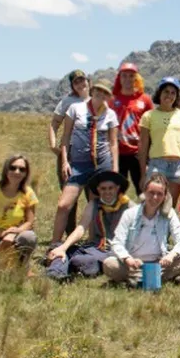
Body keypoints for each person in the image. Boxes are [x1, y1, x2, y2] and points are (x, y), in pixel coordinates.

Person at [52, 79, 119, 244]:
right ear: (93, 90)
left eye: (105, 93)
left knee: (95, 204)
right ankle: (55, 243)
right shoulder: (76, 109)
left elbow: (113, 143)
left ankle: (94, 241)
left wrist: (115, 169)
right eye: (98, 91)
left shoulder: (110, 114)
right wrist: (65, 161)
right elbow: (66, 136)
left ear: (108, 96)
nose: (100, 95)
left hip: (102, 164)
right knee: (64, 204)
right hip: (79, 164)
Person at [103, 173, 180, 286]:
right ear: (145, 192)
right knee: (109, 264)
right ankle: (158, 279)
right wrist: (128, 259)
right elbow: (117, 243)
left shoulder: (169, 214)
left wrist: (171, 256)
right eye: (151, 193)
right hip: (134, 263)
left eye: (159, 194)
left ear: (165, 196)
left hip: (160, 263)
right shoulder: (129, 214)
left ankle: (136, 281)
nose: (155, 198)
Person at [46, 171, 132, 280]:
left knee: (81, 260)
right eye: (103, 189)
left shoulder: (128, 206)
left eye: (111, 188)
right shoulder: (94, 204)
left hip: (112, 251)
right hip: (93, 247)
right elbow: (81, 228)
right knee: (57, 247)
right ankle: (56, 273)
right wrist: (63, 248)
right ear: (98, 190)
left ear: (117, 188)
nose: (107, 192)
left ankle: (71, 266)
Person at [138, 77, 180, 203]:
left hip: (178, 165)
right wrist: (143, 173)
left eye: (173, 93)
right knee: (152, 204)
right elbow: (143, 146)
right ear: (159, 93)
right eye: (166, 91)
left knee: (169, 207)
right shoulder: (148, 116)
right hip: (157, 164)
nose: (169, 96)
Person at [47, 69, 89, 236]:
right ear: (72, 85)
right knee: (69, 194)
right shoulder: (67, 101)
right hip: (70, 152)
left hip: (90, 153)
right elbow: (54, 124)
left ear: (88, 81)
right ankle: (69, 233)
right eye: (76, 81)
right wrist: (52, 144)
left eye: (82, 80)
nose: (80, 84)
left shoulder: (95, 99)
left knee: (93, 194)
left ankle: (94, 234)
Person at [111, 62, 155, 196]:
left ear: (136, 78)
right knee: (117, 191)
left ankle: (144, 216)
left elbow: (152, 125)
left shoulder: (145, 100)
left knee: (142, 190)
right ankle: (119, 216)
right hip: (118, 152)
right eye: (124, 76)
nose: (128, 79)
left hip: (138, 153)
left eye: (131, 76)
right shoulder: (113, 100)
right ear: (119, 78)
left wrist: (148, 154)